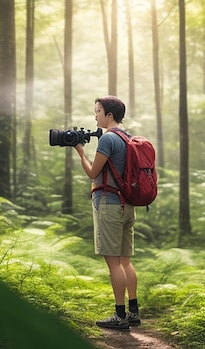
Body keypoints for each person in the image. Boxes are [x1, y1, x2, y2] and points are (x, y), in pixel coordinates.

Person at [73, 96, 141, 331]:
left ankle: (120, 316)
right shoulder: (128, 137)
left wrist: (81, 152)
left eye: (98, 111)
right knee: (126, 261)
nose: (95, 116)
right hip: (128, 206)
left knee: (114, 264)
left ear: (109, 115)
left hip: (109, 206)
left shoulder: (109, 139)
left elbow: (93, 173)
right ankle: (133, 312)